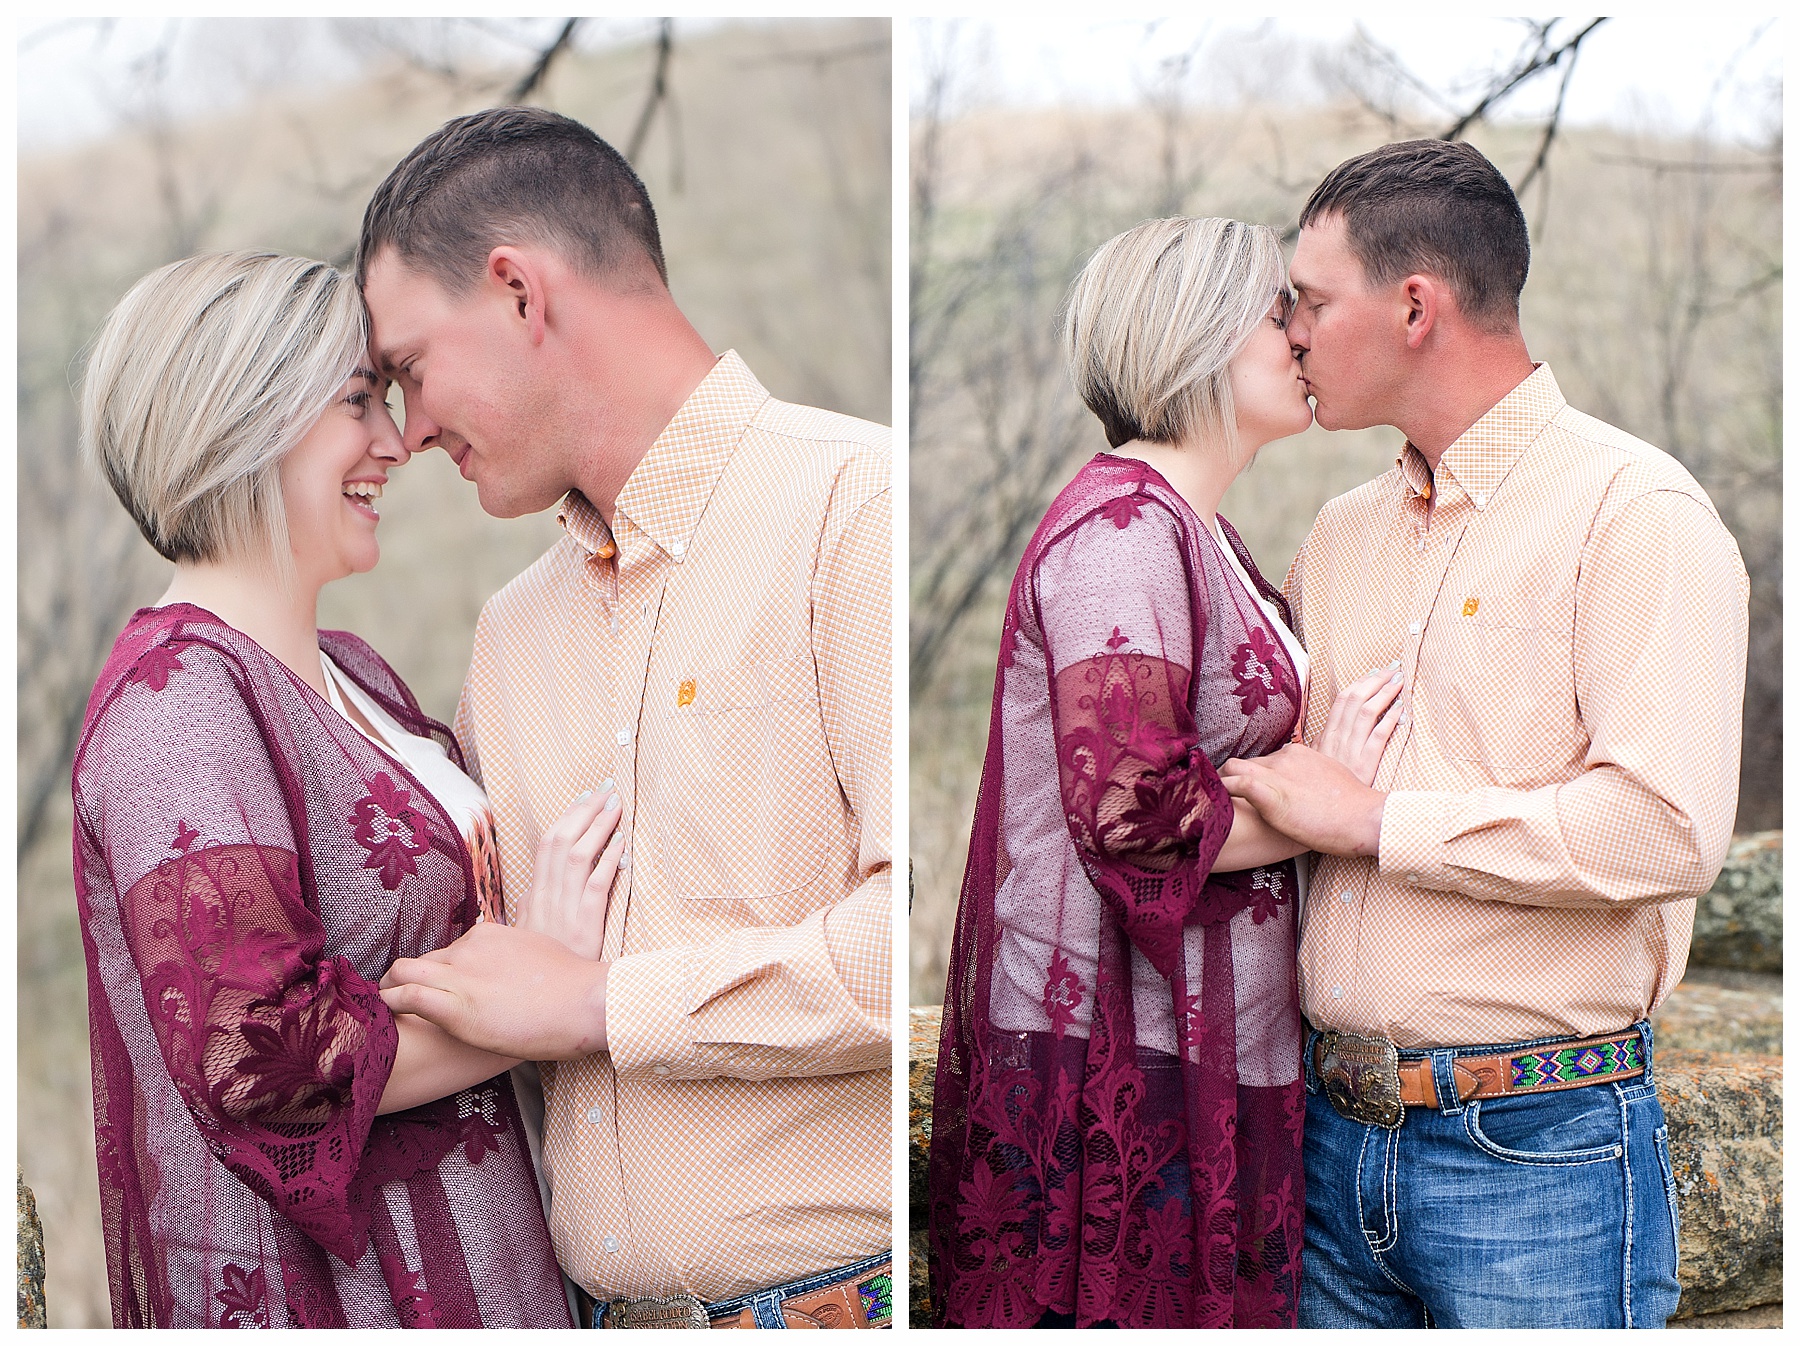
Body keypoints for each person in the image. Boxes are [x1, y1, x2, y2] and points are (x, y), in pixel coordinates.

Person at [364, 107, 894, 1330]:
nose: (408, 431)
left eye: (408, 370)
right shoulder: (509, 634)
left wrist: (597, 1002)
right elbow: (494, 985)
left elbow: (905, 941)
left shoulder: (852, 508)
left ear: (514, 293)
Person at [1220, 140, 1749, 1329]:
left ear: (1415, 307)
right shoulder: (1341, 533)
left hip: (1538, 1158)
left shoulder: (1636, 513)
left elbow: (1663, 828)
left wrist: (1375, 820)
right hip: (1326, 1148)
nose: (1289, 330)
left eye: (1309, 300)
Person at [71, 250, 630, 1327]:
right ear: (244, 421)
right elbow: (261, 1064)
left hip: (498, 1253)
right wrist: (544, 996)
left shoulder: (356, 669)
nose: (394, 441)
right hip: (360, 1298)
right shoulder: (174, 702)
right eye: (354, 403)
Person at [927, 216, 1404, 1329]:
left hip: (1200, 1057)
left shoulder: (1199, 528)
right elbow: (1133, 807)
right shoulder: (1124, 531)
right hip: (1117, 1070)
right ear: (1195, 337)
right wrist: (1325, 804)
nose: (1299, 336)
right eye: (1276, 312)